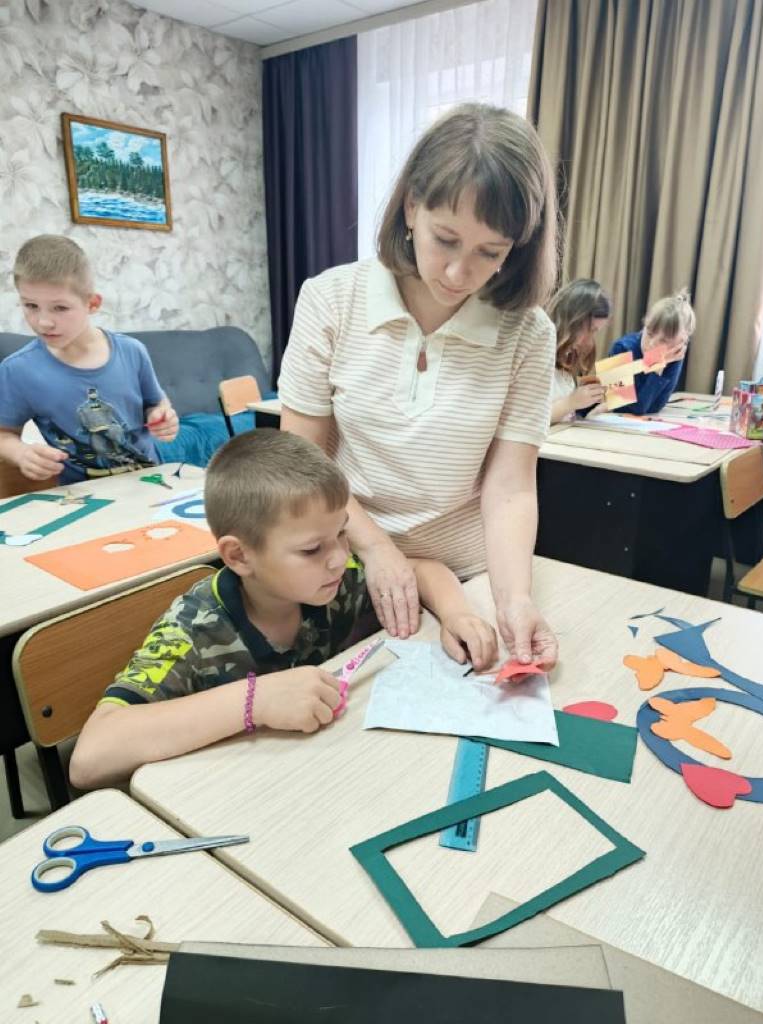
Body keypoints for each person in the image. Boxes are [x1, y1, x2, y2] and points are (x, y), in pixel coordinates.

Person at [278, 103, 559, 668]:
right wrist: (376, 547)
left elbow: (509, 488)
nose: (458, 273)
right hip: (348, 561)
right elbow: (302, 461)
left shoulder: (528, 333)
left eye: (490, 253)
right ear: (411, 207)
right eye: (445, 239)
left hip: (471, 576)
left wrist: (514, 599)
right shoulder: (331, 299)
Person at [69, 429, 498, 788]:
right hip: (228, 793)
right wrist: (255, 701)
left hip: (312, 778)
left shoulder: (329, 581)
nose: (338, 558)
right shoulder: (193, 628)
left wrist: (456, 614)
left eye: (342, 534)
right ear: (239, 556)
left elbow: (421, 571)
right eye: (312, 549)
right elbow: (89, 758)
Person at [0, 235, 178, 483]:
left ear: (92, 304)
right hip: (84, 496)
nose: (44, 322)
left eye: (60, 308)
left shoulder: (133, 351)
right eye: (31, 305)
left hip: (150, 480)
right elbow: (4, 434)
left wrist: (164, 416)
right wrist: (21, 454)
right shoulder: (17, 370)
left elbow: (157, 402)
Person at [607, 288, 696, 415]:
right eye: (649, 333)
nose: (652, 342)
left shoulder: (674, 355)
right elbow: (627, 408)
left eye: (663, 341)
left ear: (679, 344)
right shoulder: (621, 348)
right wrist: (657, 367)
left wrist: (659, 365)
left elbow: (657, 406)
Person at [547, 279, 611, 424]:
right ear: (572, 320)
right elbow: (530, 420)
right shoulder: (540, 350)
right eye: (589, 330)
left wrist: (590, 404)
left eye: (595, 332)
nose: (589, 340)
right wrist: (571, 402)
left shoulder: (569, 354)